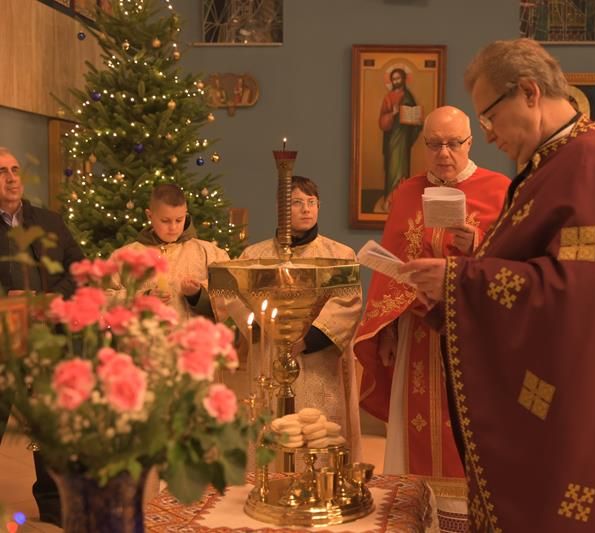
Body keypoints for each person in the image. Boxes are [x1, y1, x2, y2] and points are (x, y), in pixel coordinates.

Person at [401, 39, 595, 532]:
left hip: (591, 408)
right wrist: (454, 290)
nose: (489, 134)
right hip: (591, 393)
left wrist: (459, 282)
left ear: (529, 92)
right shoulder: (565, 161)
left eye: (489, 117)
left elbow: (583, 296)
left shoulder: (593, 165)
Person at [355, 106, 508, 501]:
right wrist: (388, 331)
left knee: (468, 426)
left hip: (473, 334)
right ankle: (413, 505)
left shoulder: (499, 190)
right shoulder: (408, 191)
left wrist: (476, 245)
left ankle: (468, 510)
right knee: (415, 428)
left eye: (453, 143)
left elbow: (513, 266)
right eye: (435, 144)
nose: (444, 153)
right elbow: (393, 266)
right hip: (417, 332)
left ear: (470, 142)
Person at [239, 176, 363, 458]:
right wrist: (267, 327)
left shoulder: (340, 255)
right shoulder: (254, 256)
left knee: (319, 433)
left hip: (319, 361)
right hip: (270, 354)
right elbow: (237, 300)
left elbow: (347, 302)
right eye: (296, 203)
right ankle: (269, 481)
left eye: (311, 202)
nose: (306, 209)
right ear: (280, 208)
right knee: (270, 429)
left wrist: (307, 340)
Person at [0, 147, 85, 526]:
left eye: (15, 169)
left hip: (49, 339)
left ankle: (54, 508)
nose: (11, 178)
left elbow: (79, 268)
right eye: (1, 172)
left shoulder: (49, 221)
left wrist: (50, 298)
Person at [110, 183, 229, 321]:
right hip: (145, 334)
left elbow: (230, 296)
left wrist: (197, 295)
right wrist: (144, 298)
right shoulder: (124, 257)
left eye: (179, 220)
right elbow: (103, 299)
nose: (173, 227)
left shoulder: (209, 253)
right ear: (150, 215)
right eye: (165, 220)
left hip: (193, 334)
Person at [377, 67, 422, 211]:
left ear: (403, 79)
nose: (396, 81)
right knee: (393, 170)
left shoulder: (408, 96)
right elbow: (382, 122)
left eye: (398, 78)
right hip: (393, 140)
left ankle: (401, 200)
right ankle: (390, 200)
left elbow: (415, 117)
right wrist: (393, 113)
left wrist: (416, 119)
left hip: (404, 140)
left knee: (402, 170)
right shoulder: (388, 97)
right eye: (394, 79)